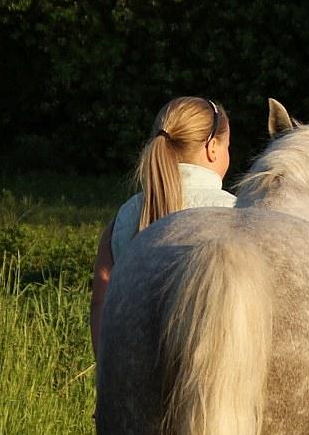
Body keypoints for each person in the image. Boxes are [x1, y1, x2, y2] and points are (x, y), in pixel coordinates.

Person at [90, 97, 234, 359]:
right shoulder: (238, 215)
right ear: (212, 148)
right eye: (227, 146)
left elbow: (102, 302)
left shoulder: (126, 217)